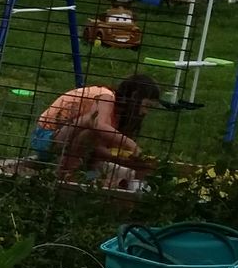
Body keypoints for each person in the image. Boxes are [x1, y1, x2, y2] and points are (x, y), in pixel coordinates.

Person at [31, 74, 161, 187]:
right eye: (146, 105)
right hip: (46, 139)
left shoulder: (118, 115)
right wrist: (131, 145)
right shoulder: (107, 96)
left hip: (64, 145)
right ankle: (66, 173)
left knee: (102, 135)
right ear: (135, 96)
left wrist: (128, 161)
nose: (145, 112)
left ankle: (87, 174)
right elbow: (97, 125)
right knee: (92, 123)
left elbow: (98, 147)